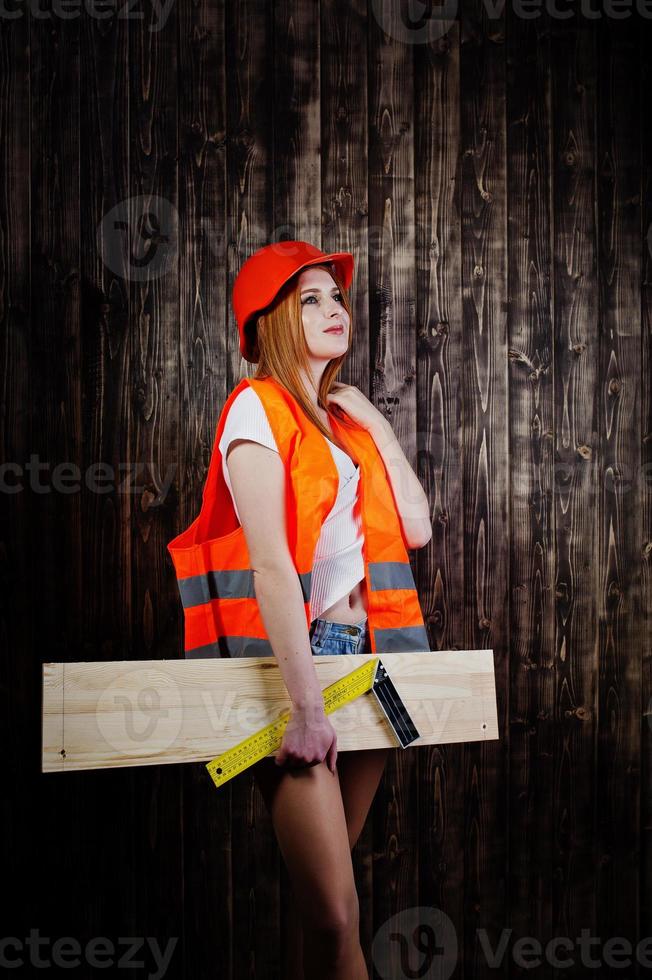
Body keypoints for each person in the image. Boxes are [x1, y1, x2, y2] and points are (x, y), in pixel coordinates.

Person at [169, 241, 432, 980]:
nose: (333, 310)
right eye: (310, 298)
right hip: (300, 667)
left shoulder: (342, 428)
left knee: (323, 898)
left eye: (336, 297)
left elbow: (415, 526)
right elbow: (271, 569)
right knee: (337, 913)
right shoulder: (256, 409)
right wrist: (305, 707)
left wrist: (378, 428)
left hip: (370, 659)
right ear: (273, 321)